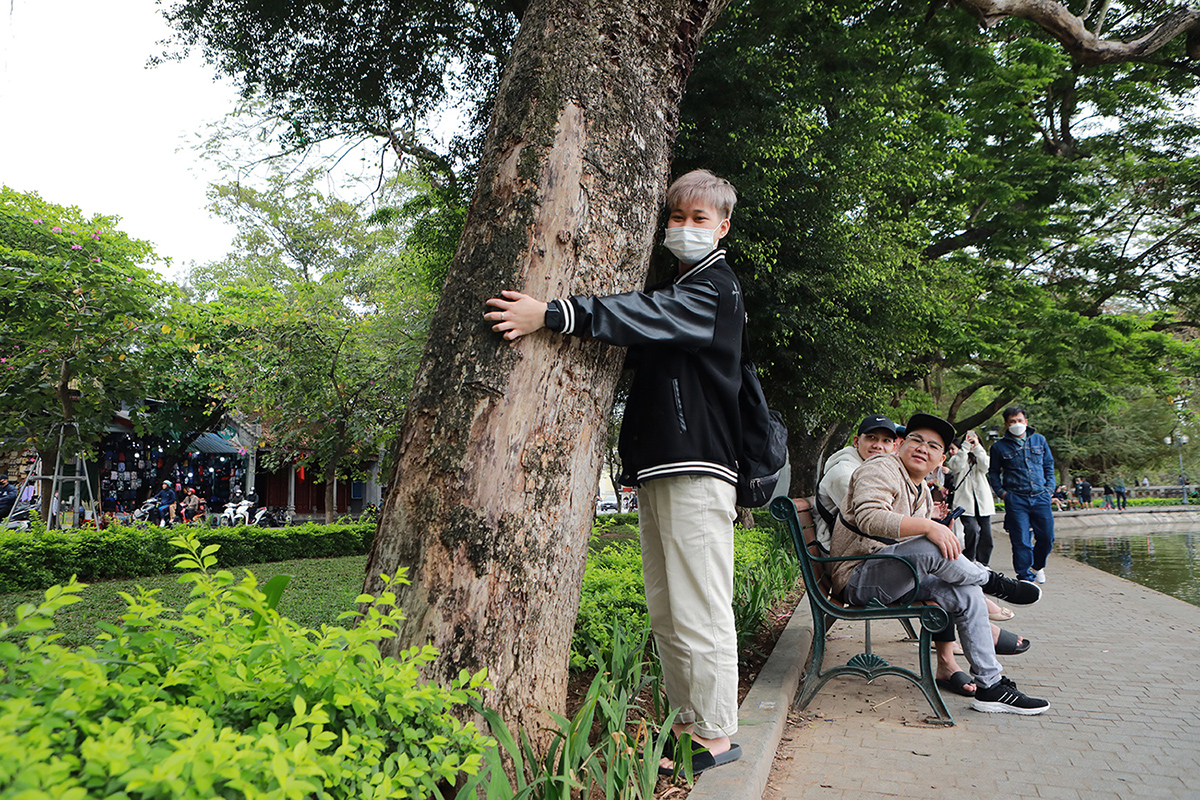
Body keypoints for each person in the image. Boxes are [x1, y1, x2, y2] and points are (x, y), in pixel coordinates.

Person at [484, 169, 744, 773]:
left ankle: (716, 735)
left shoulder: (713, 288)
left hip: (698, 464)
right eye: (676, 218)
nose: (683, 229)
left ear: (723, 226)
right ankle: (689, 720)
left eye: (698, 219)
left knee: (699, 606)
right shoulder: (684, 284)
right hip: (663, 466)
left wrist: (552, 314)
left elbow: (642, 316)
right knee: (668, 606)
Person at [830, 412, 1049, 715]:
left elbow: (914, 549)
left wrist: (933, 526)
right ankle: (993, 582)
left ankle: (990, 686)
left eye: (933, 446)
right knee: (931, 542)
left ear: (941, 458)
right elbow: (870, 518)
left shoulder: (919, 488)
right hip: (858, 577)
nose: (923, 448)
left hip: (895, 574)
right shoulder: (880, 467)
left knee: (966, 594)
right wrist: (930, 527)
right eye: (916, 440)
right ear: (900, 445)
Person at [988, 406, 1056, 584]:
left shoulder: (1039, 440)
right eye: (1012, 421)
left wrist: (1049, 490)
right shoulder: (999, 447)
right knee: (1021, 541)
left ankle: (1037, 566)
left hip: (1041, 496)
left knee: (1047, 537)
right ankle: (1025, 578)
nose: (1016, 424)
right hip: (1016, 498)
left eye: (1019, 420)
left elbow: (1049, 465)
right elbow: (993, 473)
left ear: (1026, 421)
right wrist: (1003, 494)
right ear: (1006, 424)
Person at [813, 415, 899, 553]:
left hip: (866, 545)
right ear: (856, 441)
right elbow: (871, 519)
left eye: (886, 440)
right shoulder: (844, 473)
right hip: (840, 555)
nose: (878, 445)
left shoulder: (871, 470)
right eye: (871, 437)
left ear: (894, 447)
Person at [945, 429, 995, 567]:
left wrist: (977, 447)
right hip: (964, 501)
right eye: (969, 441)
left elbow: (986, 466)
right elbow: (955, 466)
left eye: (973, 442)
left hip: (982, 502)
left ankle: (984, 563)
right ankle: (970, 558)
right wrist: (965, 447)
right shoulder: (958, 458)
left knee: (986, 534)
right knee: (972, 530)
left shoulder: (981, 457)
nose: (971, 444)